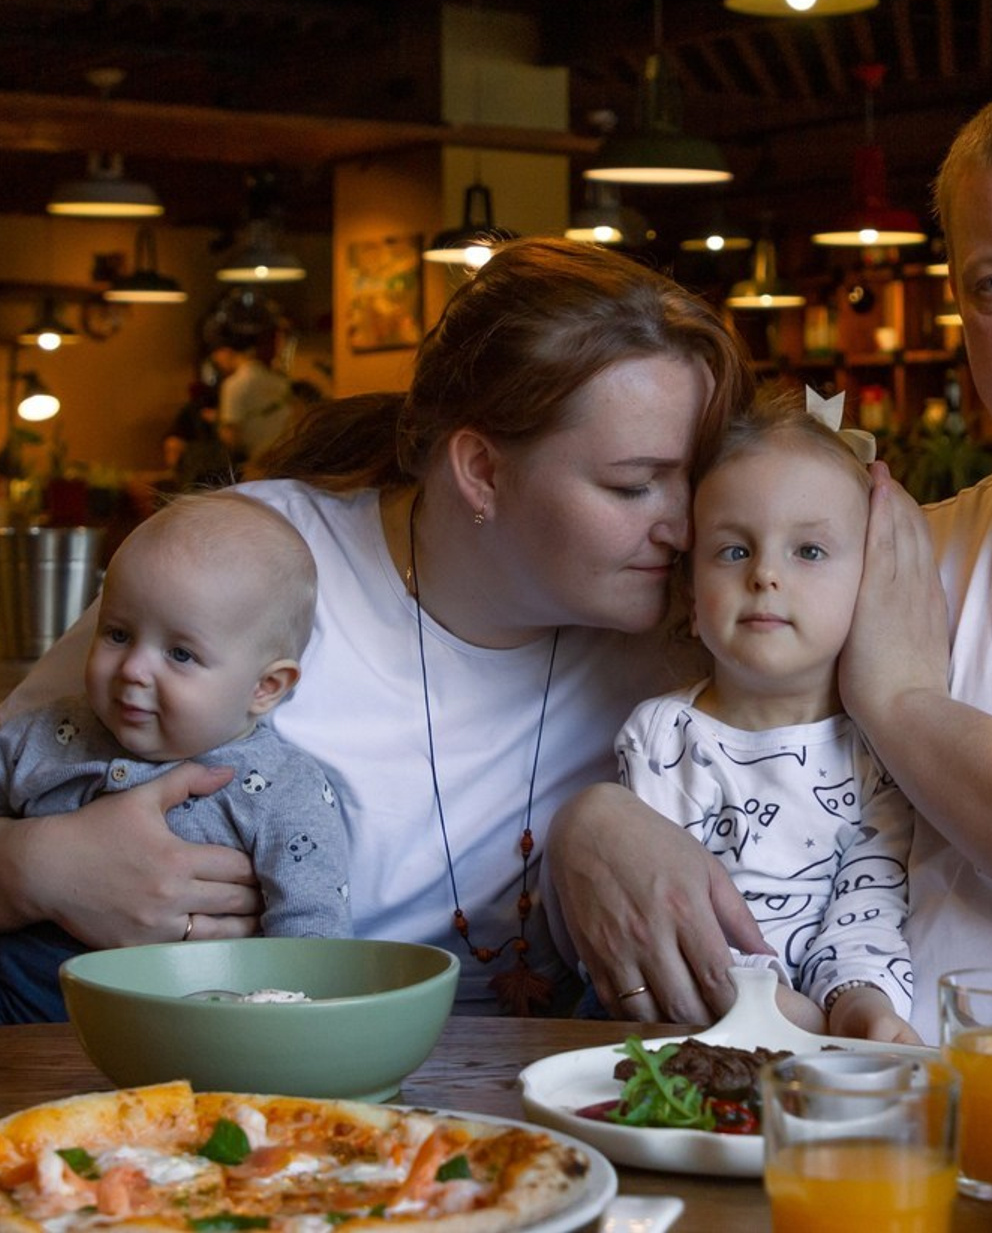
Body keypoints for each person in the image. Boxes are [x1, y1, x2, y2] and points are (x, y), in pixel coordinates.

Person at [547, 69, 992, 1075]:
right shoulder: (889, 549)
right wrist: (592, 823)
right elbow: (676, 721)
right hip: (853, 1150)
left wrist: (900, 702)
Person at [0, 238, 764, 1019]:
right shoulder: (249, 561)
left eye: (693, 479)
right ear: (482, 471)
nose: (681, 525)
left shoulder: (709, 615)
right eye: (635, 485)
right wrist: (33, 867)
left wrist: (596, 818)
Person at [615, 393, 918, 1042]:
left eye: (808, 551)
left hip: (825, 1044)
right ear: (692, 599)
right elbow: (664, 913)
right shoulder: (664, 738)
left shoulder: (879, 746)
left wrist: (862, 1003)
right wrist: (773, 1007)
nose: (766, 575)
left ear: (867, 587)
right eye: (733, 551)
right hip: (690, 1033)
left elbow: (869, 900)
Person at [0, 492, 350, 1023]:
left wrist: (294, 1027)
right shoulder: (48, 732)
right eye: (118, 634)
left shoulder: (285, 787)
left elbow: (311, 929)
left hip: (189, 1026)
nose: (134, 669)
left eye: (180, 654)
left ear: (265, 686)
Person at [209, 326, 294, 474]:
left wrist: (217, 423)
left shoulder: (234, 385)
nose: (217, 362)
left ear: (226, 351)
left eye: (217, 356)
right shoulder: (278, 379)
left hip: (260, 463)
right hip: (289, 454)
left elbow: (231, 436)